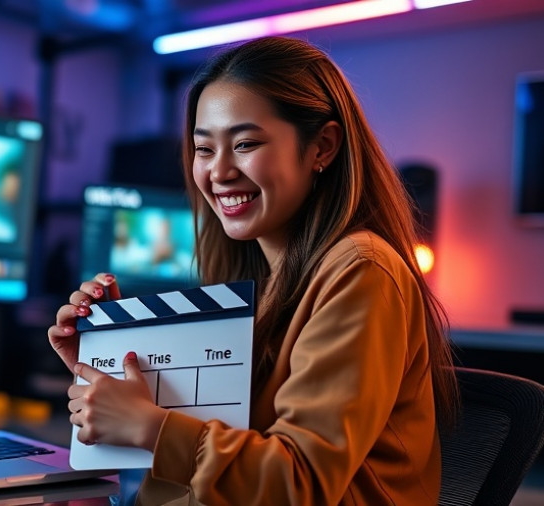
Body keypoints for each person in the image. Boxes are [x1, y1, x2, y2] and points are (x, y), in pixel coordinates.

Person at [47, 36, 458, 505]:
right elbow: (220, 439)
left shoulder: (362, 271)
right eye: (204, 149)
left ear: (322, 147)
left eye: (245, 144)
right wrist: (109, 364)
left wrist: (150, 426)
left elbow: (298, 484)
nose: (219, 172)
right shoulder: (262, 278)